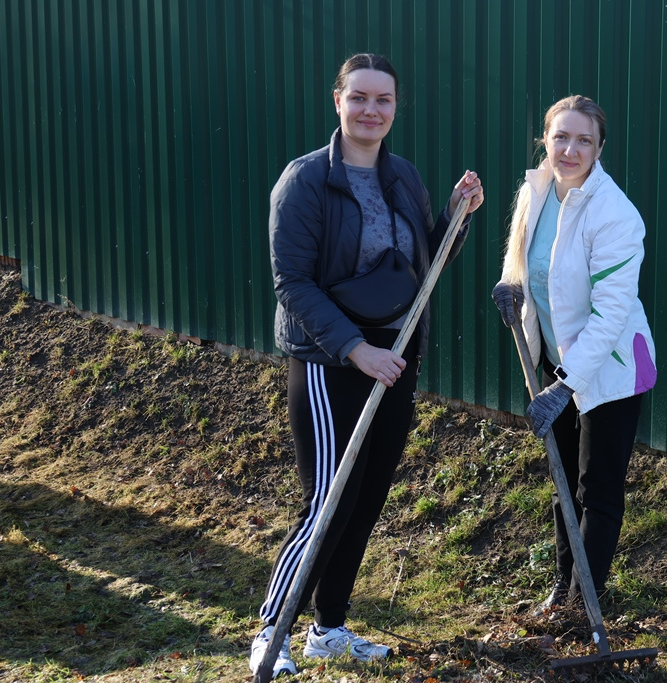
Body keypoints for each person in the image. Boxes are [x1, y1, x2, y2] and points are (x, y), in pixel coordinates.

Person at [251, 53, 484, 677]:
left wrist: (455, 217)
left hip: (395, 353)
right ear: (338, 101)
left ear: (395, 108)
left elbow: (423, 265)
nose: (370, 110)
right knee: (329, 499)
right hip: (330, 357)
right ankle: (272, 632)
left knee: (367, 494)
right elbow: (292, 283)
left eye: (383, 100)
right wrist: (357, 350)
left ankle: (328, 629)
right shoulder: (304, 181)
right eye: (359, 97)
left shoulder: (402, 176)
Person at [491, 95, 655, 615]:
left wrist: (564, 387)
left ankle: (586, 602)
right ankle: (564, 587)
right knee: (562, 482)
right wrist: (511, 284)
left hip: (610, 369)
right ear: (545, 139)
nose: (570, 149)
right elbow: (529, 262)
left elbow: (610, 316)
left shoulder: (615, 215)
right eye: (561, 136)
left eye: (584, 140)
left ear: (599, 148)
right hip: (556, 362)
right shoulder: (537, 190)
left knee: (596, 488)